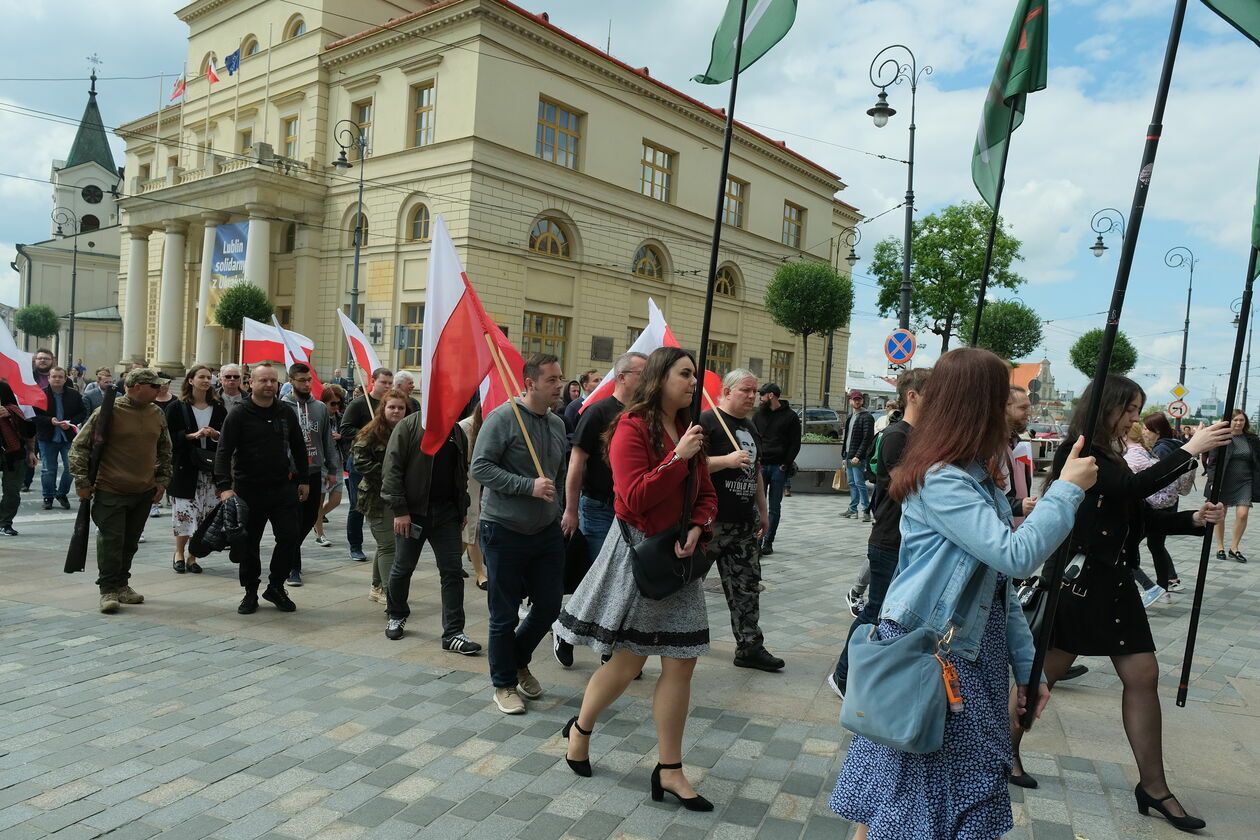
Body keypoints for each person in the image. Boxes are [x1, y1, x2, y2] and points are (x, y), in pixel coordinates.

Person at [830, 347, 1096, 840]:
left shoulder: (977, 480)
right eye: (1004, 399)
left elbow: (1001, 591)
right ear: (977, 406)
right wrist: (1065, 491)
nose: (1019, 409)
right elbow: (1015, 557)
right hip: (933, 654)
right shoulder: (942, 480)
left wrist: (1026, 668)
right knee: (913, 796)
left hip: (970, 654)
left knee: (909, 795)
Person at [1008, 375, 1230, 832]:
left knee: (1143, 675)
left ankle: (1153, 786)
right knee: (1040, 676)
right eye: (1129, 409)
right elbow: (1131, 491)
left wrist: (1193, 519)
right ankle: (1000, 753)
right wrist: (1191, 449)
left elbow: (1137, 514)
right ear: (1107, 406)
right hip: (1080, 585)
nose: (1134, 418)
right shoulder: (1083, 450)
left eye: (1136, 410)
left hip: (1115, 585)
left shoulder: (1110, 452)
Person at [554, 346, 717, 807]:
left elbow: (706, 492)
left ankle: (669, 769)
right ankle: (581, 728)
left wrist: (699, 524)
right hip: (640, 555)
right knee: (627, 661)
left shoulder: (690, 428)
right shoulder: (631, 426)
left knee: (682, 661)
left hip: (679, 560)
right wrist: (677, 459)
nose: (693, 382)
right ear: (661, 378)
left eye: (694, 375)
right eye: (685, 374)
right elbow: (632, 498)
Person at [471, 353, 568, 715]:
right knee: (504, 614)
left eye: (560, 378)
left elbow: (558, 472)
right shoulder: (502, 418)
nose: (559, 385)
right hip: (504, 530)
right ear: (530, 384)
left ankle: (516, 658)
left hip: (545, 531)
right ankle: (503, 684)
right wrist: (527, 486)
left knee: (549, 606)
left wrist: (558, 508)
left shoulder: (557, 424)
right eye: (552, 380)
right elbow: (480, 467)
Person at [828, 366, 930, 699]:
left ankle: (874, 676)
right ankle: (843, 677)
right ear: (912, 396)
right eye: (934, 395)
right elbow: (902, 487)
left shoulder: (919, 436)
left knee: (891, 613)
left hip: (905, 538)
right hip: (890, 537)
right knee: (875, 611)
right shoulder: (897, 435)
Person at [557, 351, 648, 667]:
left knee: (624, 581)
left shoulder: (644, 414)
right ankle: (567, 632)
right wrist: (571, 510)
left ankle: (610, 646)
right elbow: (577, 463)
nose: (649, 379)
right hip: (598, 508)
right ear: (622, 376)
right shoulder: (598, 412)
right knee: (602, 578)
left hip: (631, 513)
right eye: (642, 372)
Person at [380, 392, 482, 654]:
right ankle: (397, 613)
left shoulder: (456, 431)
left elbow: (461, 472)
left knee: (452, 572)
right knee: (403, 567)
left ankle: (453, 632)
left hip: (447, 514)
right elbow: (392, 471)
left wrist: (462, 509)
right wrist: (400, 511)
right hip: (412, 514)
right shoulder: (409, 426)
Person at [697, 368, 781, 672]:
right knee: (685, 586)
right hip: (710, 523)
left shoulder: (750, 426)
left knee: (747, 586)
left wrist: (763, 509)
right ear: (727, 391)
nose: (752, 396)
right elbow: (690, 465)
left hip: (744, 522)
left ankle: (749, 647)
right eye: (745, 390)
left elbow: (755, 470)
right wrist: (726, 461)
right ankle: (646, 643)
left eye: (755, 391)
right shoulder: (707, 422)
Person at [69, 368, 173, 614]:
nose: (160, 389)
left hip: (144, 490)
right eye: (154, 385)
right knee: (111, 541)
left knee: (130, 542)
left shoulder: (156, 412)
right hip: (111, 489)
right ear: (136, 386)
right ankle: (108, 589)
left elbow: (165, 450)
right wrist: (82, 482)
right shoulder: (107, 412)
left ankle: (123, 584)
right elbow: (79, 447)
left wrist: (161, 481)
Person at [214, 363, 311, 615]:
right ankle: (250, 592)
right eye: (263, 381)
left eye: (273, 381)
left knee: (290, 537)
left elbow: (299, 447)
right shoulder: (239, 413)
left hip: (282, 488)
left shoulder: (285, 412)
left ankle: (276, 587)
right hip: (248, 490)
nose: (269, 385)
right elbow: (223, 451)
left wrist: (304, 479)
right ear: (251, 384)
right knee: (249, 544)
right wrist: (224, 487)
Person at [282, 362, 340, 586]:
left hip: (315, 471)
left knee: (308, 518)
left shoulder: (320, 409)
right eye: (302, 381)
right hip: (290, 474)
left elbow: (327, 441)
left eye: (309, 380)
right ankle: (293, 567)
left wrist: (332, 469)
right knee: (293, 520)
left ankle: (289, 549)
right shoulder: (282, 407)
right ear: (291, 381)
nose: (307, 385)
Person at [351, 390, 410, 606]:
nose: (396, 411)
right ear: (382, 409)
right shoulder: (370, 433)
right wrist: (390, 476)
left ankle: (376, 587)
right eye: (391, 407)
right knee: (388, 546)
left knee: (386, 544)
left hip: (399, 497)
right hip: (377, 498)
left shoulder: (406, 430)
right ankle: (389, 592)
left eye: (400, 407)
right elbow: (360, 462)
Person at [166, 365, 226, 574]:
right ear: (190, 380)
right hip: (185, 468)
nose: (206, 381)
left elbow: (226, 437)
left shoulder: (218, 407)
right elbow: (168, 438)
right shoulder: (177, 406)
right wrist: (192, 436)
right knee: (184, 513)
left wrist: (215, 434)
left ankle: (193, 556)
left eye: (209, 377)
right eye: (201, 377)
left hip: (210, 470)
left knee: (205, 515)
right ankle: (179, 553)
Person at [340, 367, 394, 562]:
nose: (387, 386)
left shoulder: (391, 405)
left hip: (384, 462)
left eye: (390, 383)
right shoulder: (359, 404)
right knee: (357, 505)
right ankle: (355, 545)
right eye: (384, 382)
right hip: (360, 462)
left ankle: (385, 544)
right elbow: (345, 429)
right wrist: (369, 432)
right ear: (373, 381)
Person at [1142, 411, 1194, 589]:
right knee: (1156, 543)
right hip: (1170, 500)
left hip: (1158, 502)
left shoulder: (1161, 449)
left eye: (1146, 429)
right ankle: (1169, 580)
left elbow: (1159, 478)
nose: (1144, 432)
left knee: (1153, 543)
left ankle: (1165, 583)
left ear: (1156, 430)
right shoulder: (1175, 444)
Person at [751, 382, 800, 555]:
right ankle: (756, 540)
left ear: (771, 395)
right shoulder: (758, 416)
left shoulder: (790, 417)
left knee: (774, 507)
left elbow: (795, 443)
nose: (760, 398)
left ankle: (768, 542)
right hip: (761, 466)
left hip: (779, 467)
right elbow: (753, 438)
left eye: (762, 395)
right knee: (757, 505)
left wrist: (785, 464)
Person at [1208, 409, 1260, 563]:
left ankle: (1234, 548)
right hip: (1224, 481)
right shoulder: (1221, 438)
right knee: (1220, 513)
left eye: (1241, 420)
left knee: (1243, 514)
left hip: (1245, 481)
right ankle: (1220, 547)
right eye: (1235, 420)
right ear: (1229, 421)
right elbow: (1212, 463)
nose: (1238, 423)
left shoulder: (1252, 439)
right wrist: (1212, 482)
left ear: (1245, 422)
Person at [35, 367, 87, 510]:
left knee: (71, 467)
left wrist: (70, 422)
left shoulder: (74, 395)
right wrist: (49, 421)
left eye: (60, 377)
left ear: (65, 379)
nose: (57, 379)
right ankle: (48, 496)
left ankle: (62, 493)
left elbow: (83, 412)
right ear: (49, 378)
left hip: (68, 436)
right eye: (54, 376)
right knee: (48, 469)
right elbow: (34, 415)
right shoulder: (40, 394)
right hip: (47, 437)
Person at [458, 406, 489, 590]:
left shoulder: (492, 423)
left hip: (483, 480)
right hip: (467, 480)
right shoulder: (466, 426)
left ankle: (453, 563)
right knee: (473, 526)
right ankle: (480, 573)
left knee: (471, 525)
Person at [0, 382, 37, 536]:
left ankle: (5, 522)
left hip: (13, 452)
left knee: (12, 491)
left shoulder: (5, 389)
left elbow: (28, 429)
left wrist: (31, 452)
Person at [313, 383, 348, 548]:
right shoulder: (318, 417)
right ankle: (320, 534)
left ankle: (314, 518)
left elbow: (349, 435)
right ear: (324, 402)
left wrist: (341, 437)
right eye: (332, 403)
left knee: (336, 500)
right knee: (319, 500)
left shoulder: (340, 418)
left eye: (339, 403)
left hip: (338, 462)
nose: (336, 407)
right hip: (322, 463)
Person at [842, 390, 875, 522]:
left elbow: (867, 438)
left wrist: (859, 456)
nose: (856, 401)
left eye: (859, 399)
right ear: (850, 401)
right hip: (850, 455)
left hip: (857, 457)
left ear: (862, 401)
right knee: (852, 482)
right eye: (854, 399)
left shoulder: (866, 417)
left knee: (859, 483)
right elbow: (846, 438)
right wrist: (844, 456)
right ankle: (853, 509)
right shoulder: (851, 417)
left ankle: (866, 511)